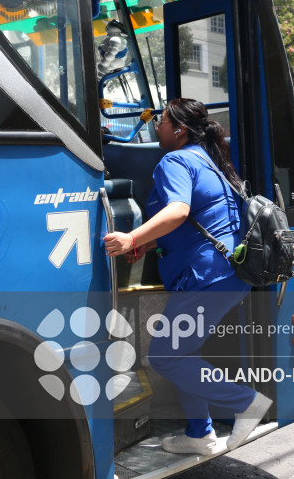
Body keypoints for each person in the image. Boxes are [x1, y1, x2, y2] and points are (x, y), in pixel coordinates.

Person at [103, 98, 271, 455]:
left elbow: (178, 211)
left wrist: (131, 238)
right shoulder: (208, 161)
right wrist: (146, 243)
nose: (157, 126)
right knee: (183, 352)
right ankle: (200, 434)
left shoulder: (175, 161)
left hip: (207, 276)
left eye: (162, 121)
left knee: (167, 356)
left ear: (179, 130)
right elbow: (197, 222)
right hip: (226, 275)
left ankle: (245, 402)